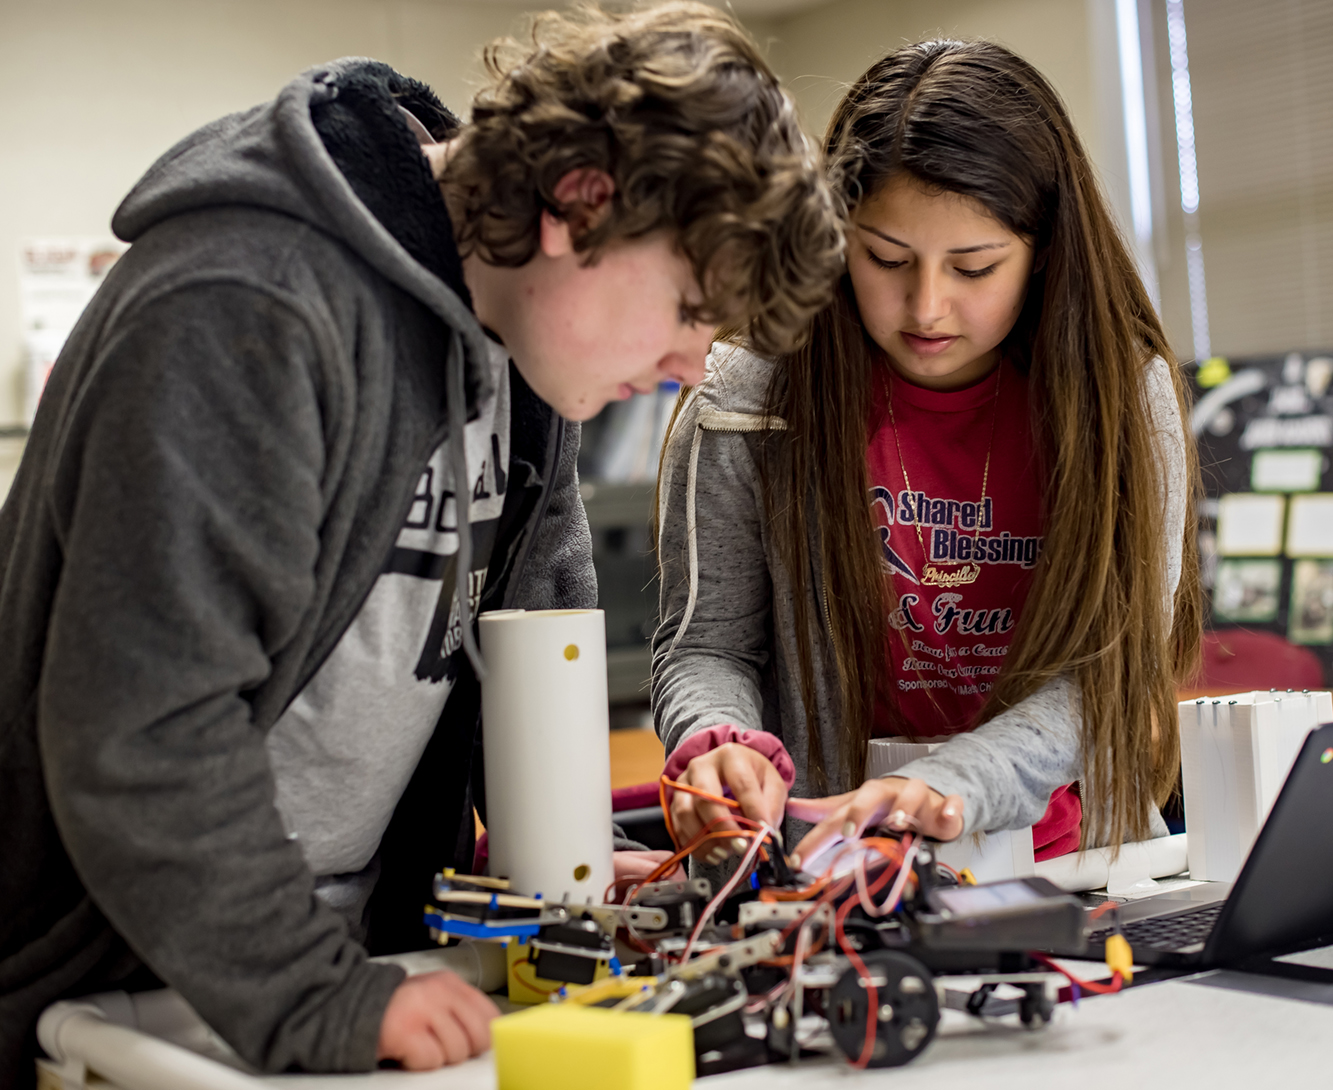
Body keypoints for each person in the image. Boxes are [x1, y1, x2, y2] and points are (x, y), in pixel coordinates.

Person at [0, 4, 844, 1084]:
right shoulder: (249, 298)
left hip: (347, 972)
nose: (688, 367)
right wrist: (313, 994)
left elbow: (525, 669)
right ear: (578, 201)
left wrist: (571, 873)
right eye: (685, 309)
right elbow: (141, 729)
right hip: (124, 995)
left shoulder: (529, 354)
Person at [653, 40, 1202, 879]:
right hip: (827, 871)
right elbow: (706, 646)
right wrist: (716, 746)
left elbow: (1110, 675)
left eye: (974, 266)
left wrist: (945, 784)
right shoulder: (745, 398)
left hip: (1079, 865)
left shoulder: (1123, 398)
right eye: (885, 259)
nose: (926, 307)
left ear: (1045, 249)